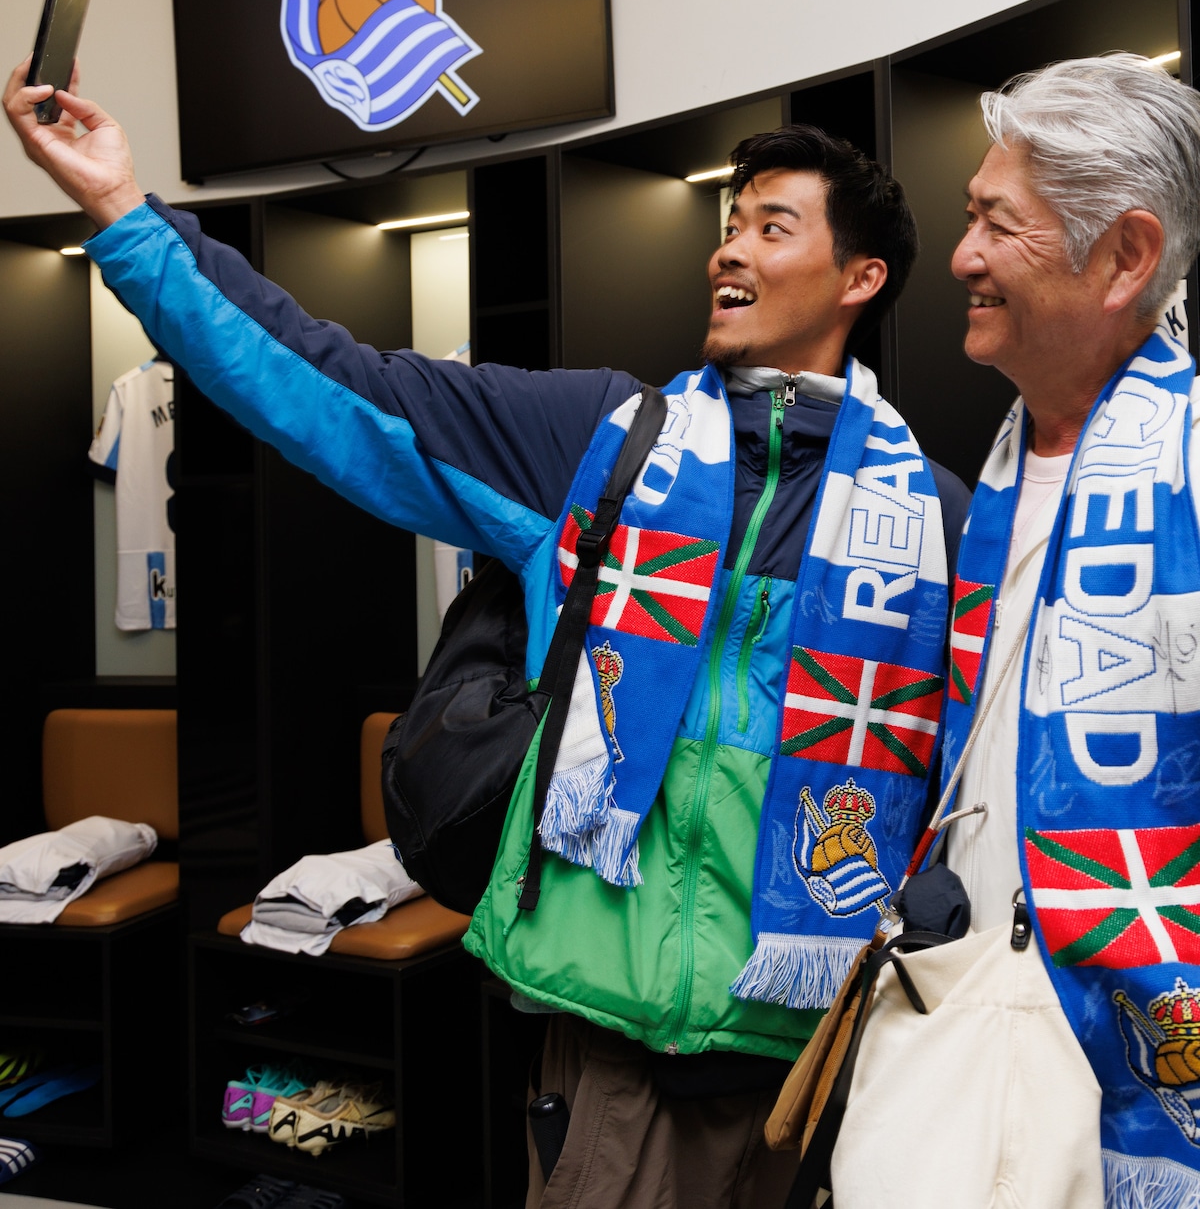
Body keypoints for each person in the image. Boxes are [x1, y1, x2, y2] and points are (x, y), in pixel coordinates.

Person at [4, 62, 969, 1209]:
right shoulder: (600, 443)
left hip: (826, 1066)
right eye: (727, 225)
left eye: (772, 225)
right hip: (614, 1060)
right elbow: (333, 387)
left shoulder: (940, 522)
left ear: (861, 276)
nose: (727, 250)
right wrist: (123, 212)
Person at [831, 53, 1200, 1209]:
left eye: (998, 222)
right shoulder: (975, 478)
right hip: (950, 1004)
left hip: (1125, 1039)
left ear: (1125, 257)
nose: (963, 259)